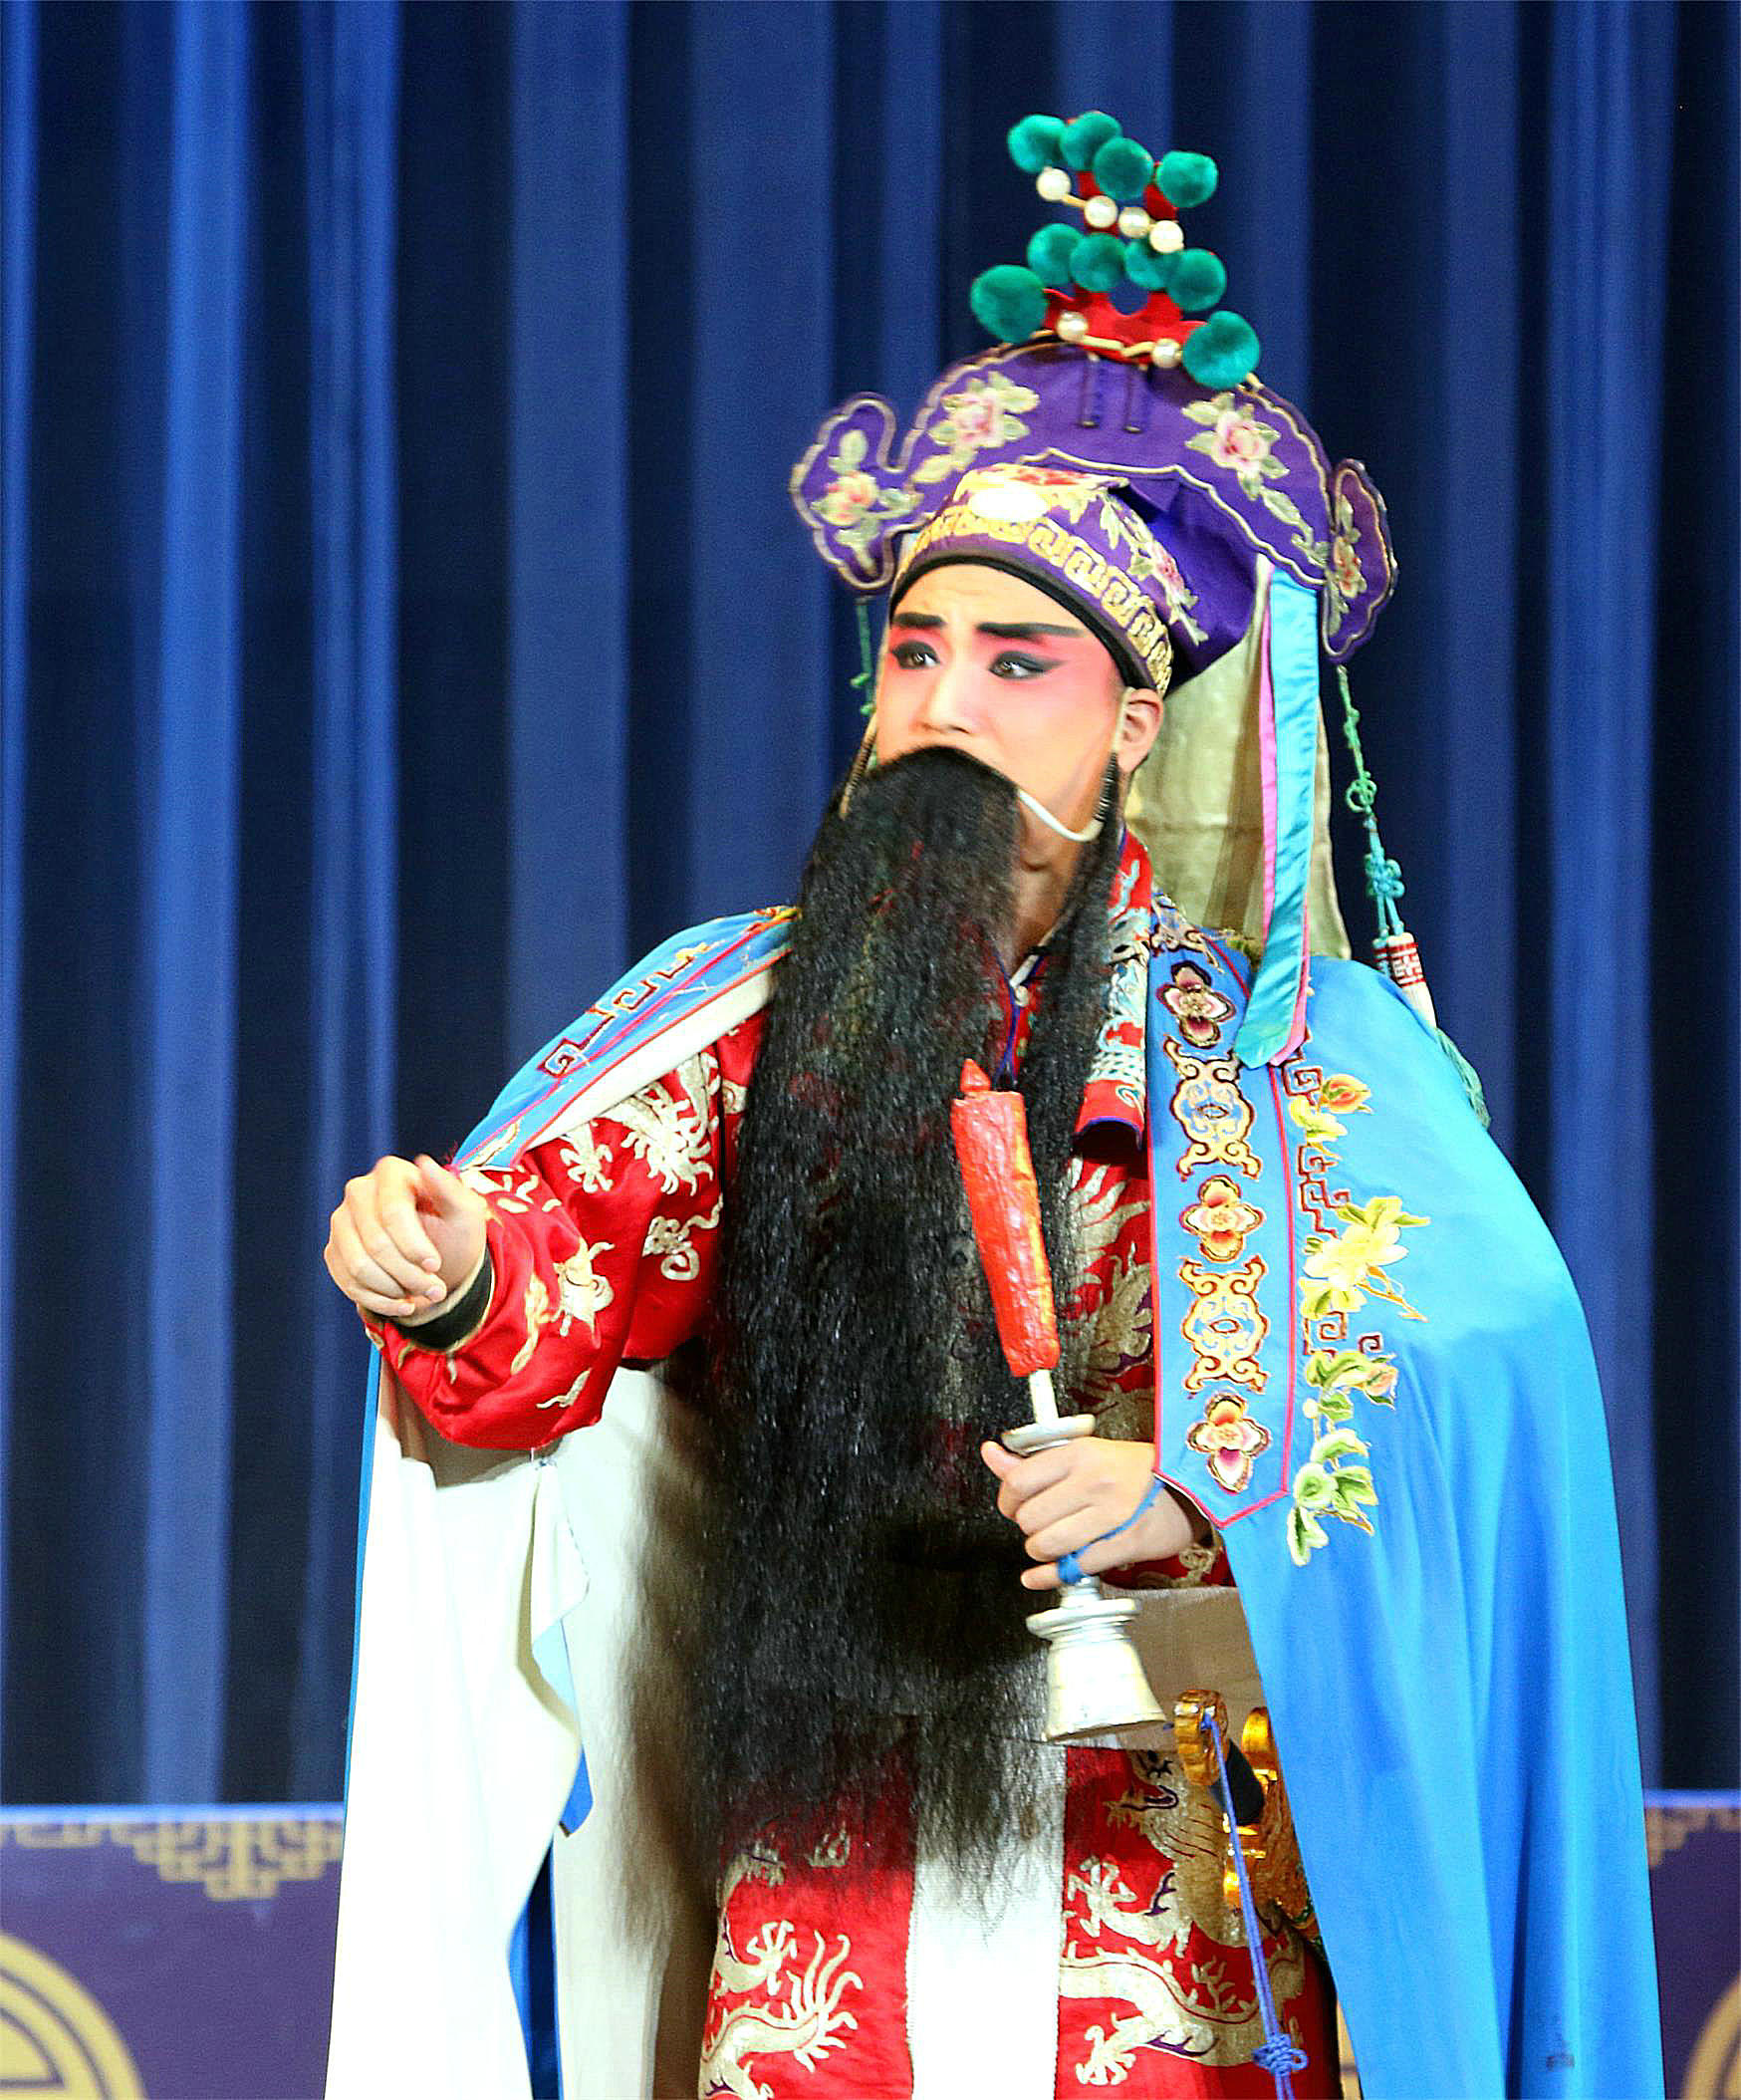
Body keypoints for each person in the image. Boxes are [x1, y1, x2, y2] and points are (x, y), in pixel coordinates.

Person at [324, 114, 1661, 2100]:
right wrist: (454, 1276)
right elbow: (567, 1266)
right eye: (913, 655)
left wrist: (1190, 1486)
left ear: (1132, 727)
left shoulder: (1285, 1059)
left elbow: (1470, 1379)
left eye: (1016, 664)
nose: (942, 705)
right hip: (826, 1871)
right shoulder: (747, 1014)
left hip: (1169, 1881)